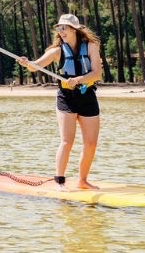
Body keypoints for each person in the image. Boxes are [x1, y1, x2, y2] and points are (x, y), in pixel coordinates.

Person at [17, 13, 103, 190]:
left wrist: (78, 80)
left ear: (74, 29)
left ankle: (82, 180)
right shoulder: (57, 51)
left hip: (87, 96)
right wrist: (27, 63)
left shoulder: (91, 46)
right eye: (59, 28)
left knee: (91, 143)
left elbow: (97, 74)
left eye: (64, 28)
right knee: (67, 141)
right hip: (66, 99)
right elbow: (36, 66)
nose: (61, 31)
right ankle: (60, 181)